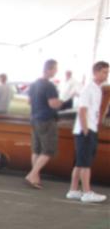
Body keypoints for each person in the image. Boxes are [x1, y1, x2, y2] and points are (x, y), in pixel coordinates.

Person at [66, 60, 108, 203]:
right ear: (96, 72)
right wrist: (86, 129)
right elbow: (82, 109)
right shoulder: (88, 88)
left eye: (107, 72)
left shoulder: (97, 89)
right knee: (85, 163)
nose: (106, 74)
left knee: (80, 162)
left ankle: (73, 190)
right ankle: (87, 192)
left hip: (91, 128)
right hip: (86, 130)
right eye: (104, 72)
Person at [25, 59, 64, 189]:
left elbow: (29, 101)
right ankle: (32, 174)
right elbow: (53, 104)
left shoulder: (34, 84)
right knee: (48, 150)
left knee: (36, 149)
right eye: (55, 69)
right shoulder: (49, 85)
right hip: (47, 119)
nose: (56, 72)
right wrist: (62, 101)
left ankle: (35, 177)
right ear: (49, 69)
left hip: (34, 118)